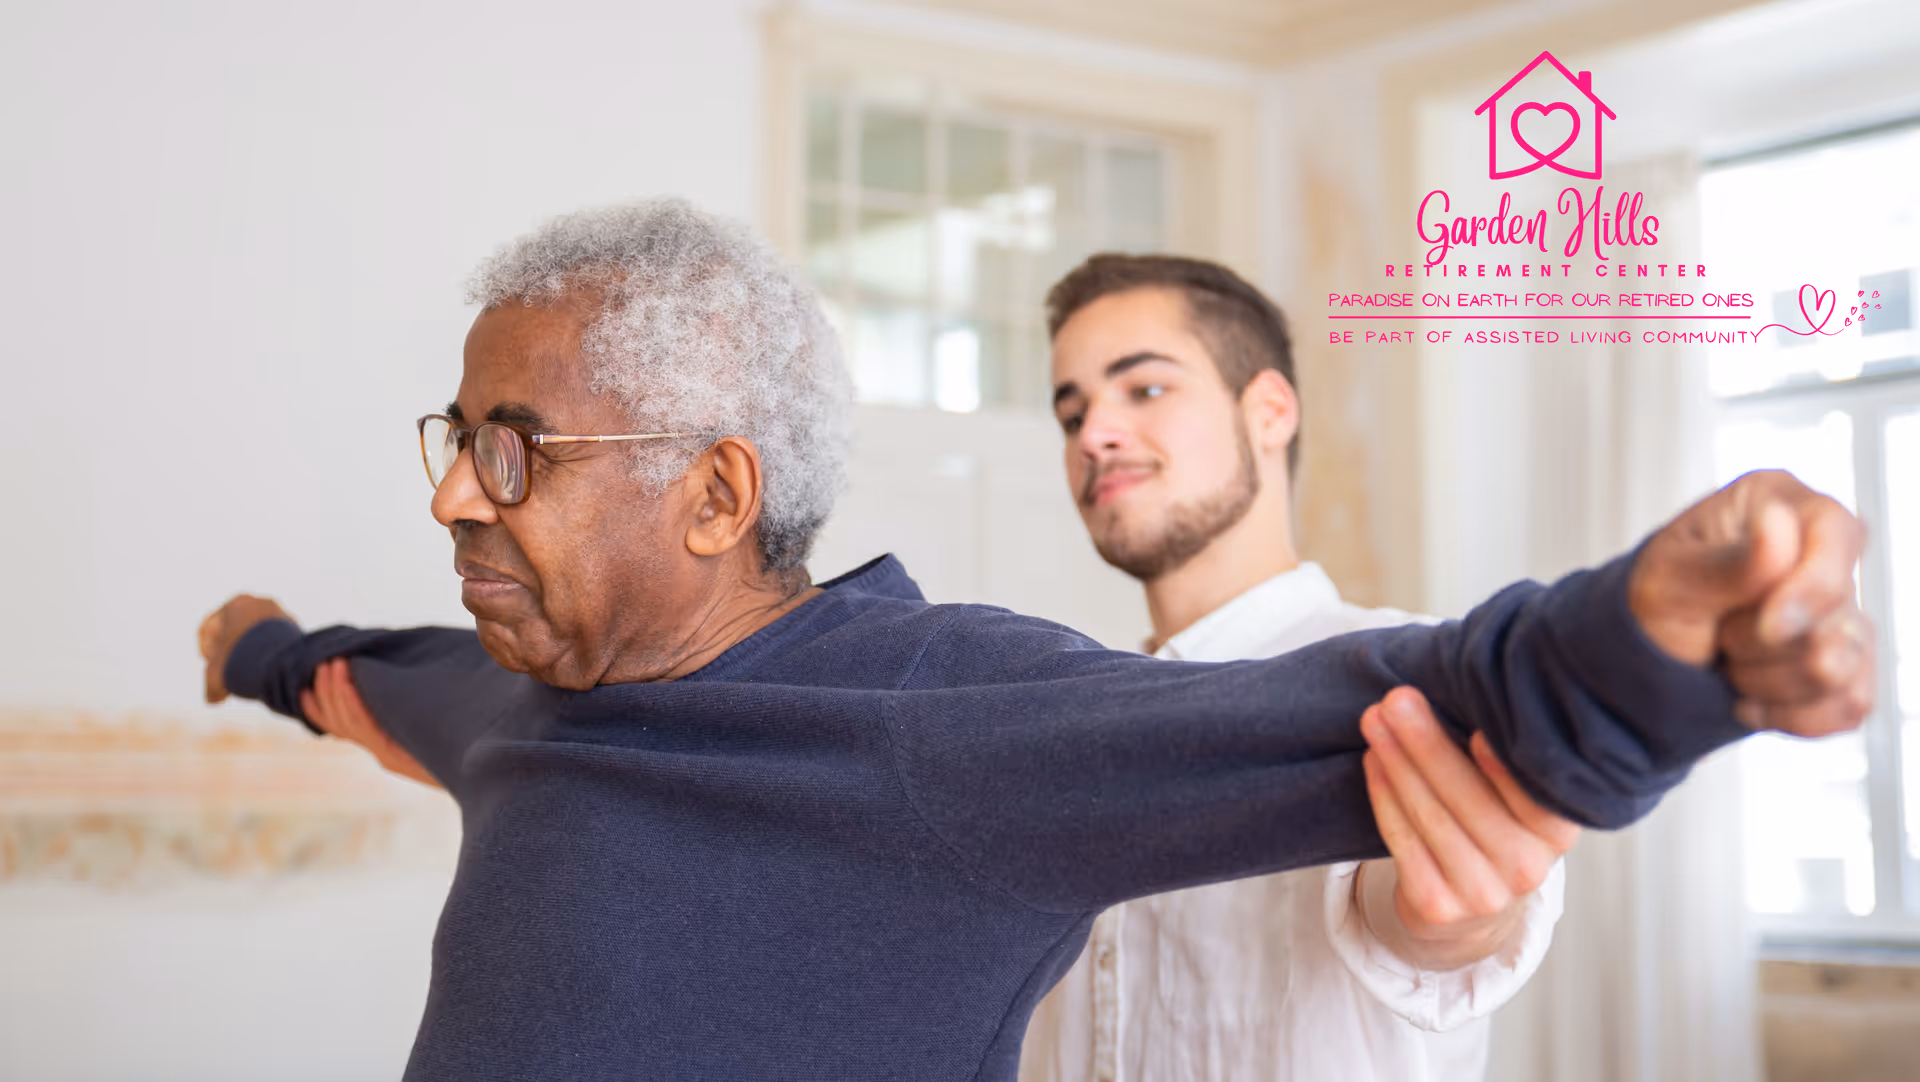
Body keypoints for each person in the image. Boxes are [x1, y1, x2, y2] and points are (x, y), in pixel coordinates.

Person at [196, 199, 1873, 1082]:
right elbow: (370, 678)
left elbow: (1374, 706)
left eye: (514, 452)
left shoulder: (938, 714)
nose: (457, 503)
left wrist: (1659, 647)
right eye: (1073, 399)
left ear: (716, 496)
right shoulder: (508, 695)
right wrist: (264, 645)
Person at [1023, 254, 1574, 1082]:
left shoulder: (1412, 678)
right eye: (1072, 415)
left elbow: (1430, 933)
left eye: (1143, 389)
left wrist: (1457, 920)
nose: (1094, 433)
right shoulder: (1054, 717)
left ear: (1270, 411)